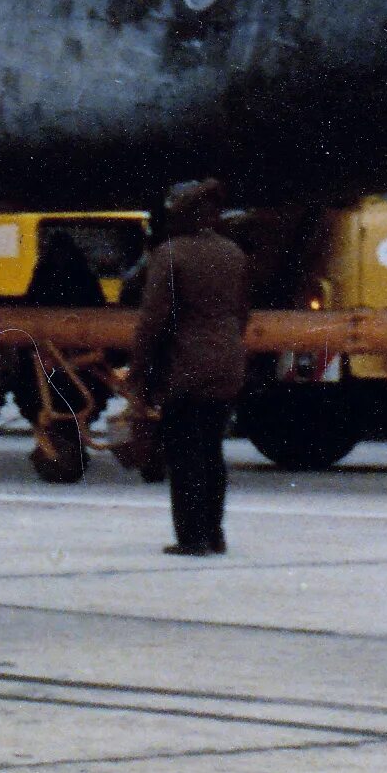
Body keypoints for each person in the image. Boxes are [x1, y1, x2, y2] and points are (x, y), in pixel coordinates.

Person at [132, 178, 253, 558]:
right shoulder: (234, 254)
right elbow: (242, 313)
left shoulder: (171, 254)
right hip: (228, 363)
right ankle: (215, 533)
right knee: (212, 450)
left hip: (186, 366)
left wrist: (140, 372)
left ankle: (191, 537)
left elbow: (153, 321)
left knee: (184, 453)